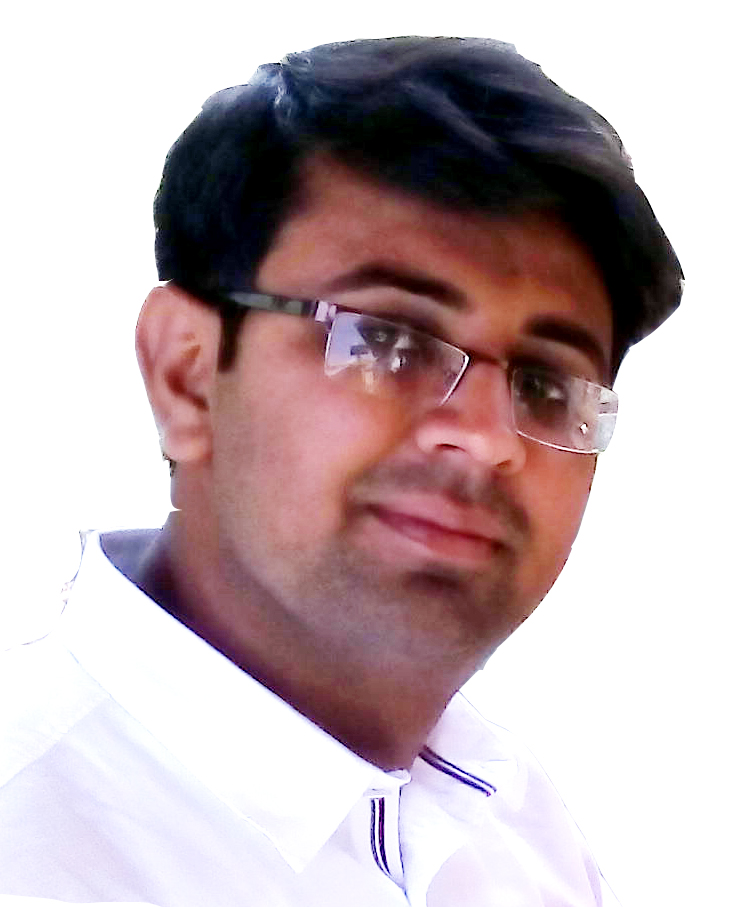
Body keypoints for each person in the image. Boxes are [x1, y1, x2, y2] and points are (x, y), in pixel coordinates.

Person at [0, 36, 682, 906]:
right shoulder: (32, 849)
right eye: (388, 341)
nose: (486, 438)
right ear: (188, 373)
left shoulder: (516, 823)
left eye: (547, 383)